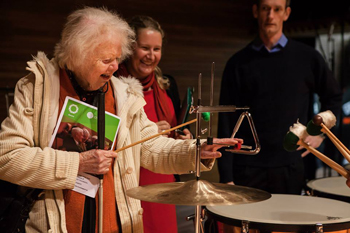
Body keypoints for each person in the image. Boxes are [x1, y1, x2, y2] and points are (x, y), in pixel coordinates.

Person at [0, 7, 241, 233]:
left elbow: (151, 147)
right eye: (106, 60)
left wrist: (197, 151)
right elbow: (7, 157)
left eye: (117, 58)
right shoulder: (38, 88)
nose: (115, 67)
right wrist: (77, 164)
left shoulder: (124, 93)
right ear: (78, 55)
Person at [218, 0, 342, 195]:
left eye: (277, 9)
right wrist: (225, 176)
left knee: (287, 225)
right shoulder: (237, 63)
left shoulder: (308, 57)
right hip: (247, 167)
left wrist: (319, 133)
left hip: (291, 166)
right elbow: (225, 121)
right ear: (256, 11)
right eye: (266, 9)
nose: (270, 15)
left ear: (287, 13)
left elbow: (333, 97)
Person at [114, 15, 191, 233]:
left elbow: (178, 127)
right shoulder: (113, 85)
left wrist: (184, 137)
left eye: (156, 49)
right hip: (130, 182)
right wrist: (144, 132)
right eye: (145, 48)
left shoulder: (167, 85)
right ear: (130, 48)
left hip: (164, 181)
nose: (151, 56)